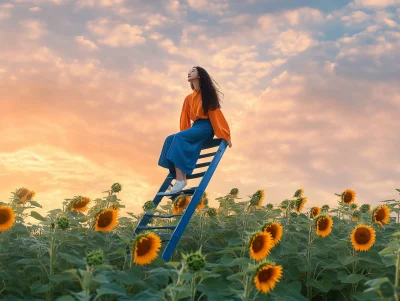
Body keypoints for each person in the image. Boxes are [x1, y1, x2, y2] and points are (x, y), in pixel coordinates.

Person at [158, 66, 232, 193]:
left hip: (206, 127)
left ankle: (181, 180)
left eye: (193, 70)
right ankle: (180, 178)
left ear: (199, 75)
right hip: (195, 127)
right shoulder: (188, 98)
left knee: (178, 138)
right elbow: (184, 118)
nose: (189, 72)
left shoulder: (207, 94)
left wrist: (225, 135)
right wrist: (184, 136)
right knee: (170, 139)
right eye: (189, 70)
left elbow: (216, 114)